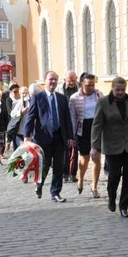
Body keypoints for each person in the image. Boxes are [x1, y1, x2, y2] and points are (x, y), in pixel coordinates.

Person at [24, 71, 75, 203]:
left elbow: (67, 119)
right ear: (45, 81)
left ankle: (55, 192)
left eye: (55, 80)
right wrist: (27, 136)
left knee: (59, 166)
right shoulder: (38, 97)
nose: (53, 82)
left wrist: (70, 136)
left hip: (59, 137)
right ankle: (39, 184)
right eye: (50, 79)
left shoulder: (62, 98)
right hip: (43, 137)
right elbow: (30, 117)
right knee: (44, 165)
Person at [91, 76, 128, 216]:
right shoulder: (103, 102)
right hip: (112, 145)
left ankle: (124, 206)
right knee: (114, 175)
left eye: (122, 89)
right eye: (117, 89)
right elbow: (97, 125)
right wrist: (95, 146)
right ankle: (111, 197)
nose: (120, 92)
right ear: (112, 88)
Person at [70, 73, 103, 197]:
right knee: (85, 158)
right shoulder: (74, 98)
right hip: (82, 129)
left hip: (97, 128)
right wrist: (72, 135)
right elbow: (73, 117)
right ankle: (81, 178)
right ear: (82, 84)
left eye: (93, 84)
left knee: (97, 158)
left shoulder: (99, 95)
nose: (91, 87)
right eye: (88, 85)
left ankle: (94, 187)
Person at [57, 70, 80, 183]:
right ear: (65, 79)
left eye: (74, 80)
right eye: (70, 80)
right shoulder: (59, 89)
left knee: (74, 149)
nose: (72, 82)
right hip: (63, 123)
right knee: (64, 149)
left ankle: (73, 173)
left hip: (76, 122)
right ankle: (64, 172)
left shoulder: (80, 88)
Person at [9, 85, 29, 150]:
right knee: (20, 150)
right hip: (20, 130)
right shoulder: (17, 103)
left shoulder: (31, 102)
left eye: (26, 93)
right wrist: (20, 112)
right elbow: (12, 114)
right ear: (20, 94)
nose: (24, 94)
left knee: (28, 150)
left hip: (29, 131)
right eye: (23, 93)